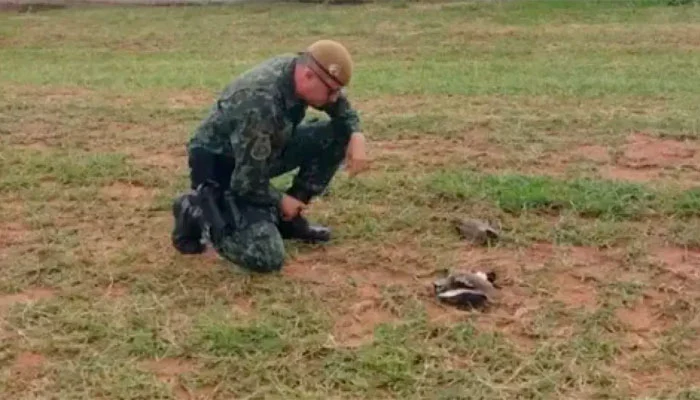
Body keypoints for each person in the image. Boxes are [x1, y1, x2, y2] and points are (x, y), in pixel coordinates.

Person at [170, 39, 368, 273]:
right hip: (223, 168)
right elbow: (246, 182)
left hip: (263, 151)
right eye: (332, 91)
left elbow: (339, 108)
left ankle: (288, 218)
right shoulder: (260, 102)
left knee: (340, 132)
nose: (335, 98)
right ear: (307, 76)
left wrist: (356, 133)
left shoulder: (300, 71)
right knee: (266, 256)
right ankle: (196, 211)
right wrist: (279, 199)